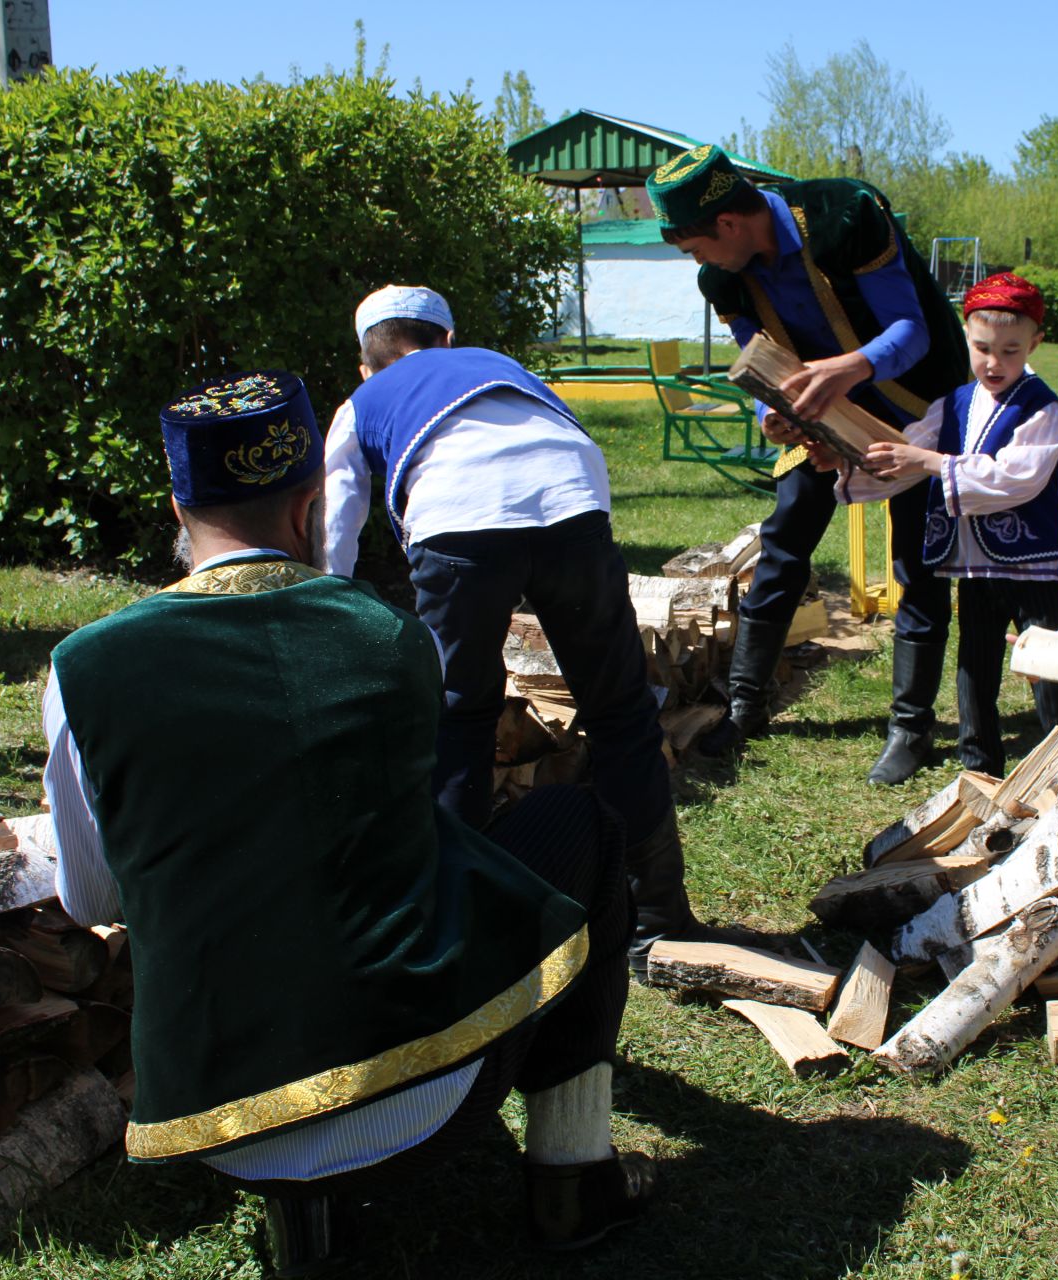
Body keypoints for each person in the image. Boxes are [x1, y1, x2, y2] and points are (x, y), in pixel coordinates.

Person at [42, 370, 653, 1275]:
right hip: (428, 1086)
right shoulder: (386, 634)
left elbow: (92, 894)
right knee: (579, 823)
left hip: (212, 1112)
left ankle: (310, 1226)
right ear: (308, 506)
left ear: (178, 505)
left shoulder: (81, 670)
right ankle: (573, 1179)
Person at [318, 286, 710, 975]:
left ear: (363, 363)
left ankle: (463, 926)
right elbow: (575, 449)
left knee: (459, 719)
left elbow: (336, 522)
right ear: (447, 339)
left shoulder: (362, 403)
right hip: (572, 511)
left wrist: (332, 611)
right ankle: (655, 922)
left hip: (458, 526)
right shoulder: (498, 366)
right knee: (621, 716)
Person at [646, 146, 970, 785]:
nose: (698, 263)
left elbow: (912, 331)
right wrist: (779, 415)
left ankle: (910, 725)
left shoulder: (843, 215)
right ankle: (744, 706)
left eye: (697, 247)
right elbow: (761, 363)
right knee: (786, 541)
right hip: (820, 411)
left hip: (915, 404)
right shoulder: (725, 278)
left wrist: (847, 372)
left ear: (731, 226)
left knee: (917, 560)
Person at [819, 273, 1058, 777]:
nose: (993, 362)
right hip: (973, 568)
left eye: (1010, 350)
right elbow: (903, 458)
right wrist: (842, 457)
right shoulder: (953, 404)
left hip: (1034, 567)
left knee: (1050, 667)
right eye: (982, 347)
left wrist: (931, 462)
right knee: (974, 667)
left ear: (1035, 344)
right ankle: (978, 765)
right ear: (966, 337)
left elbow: (1014, 479)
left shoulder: (1045, 410)